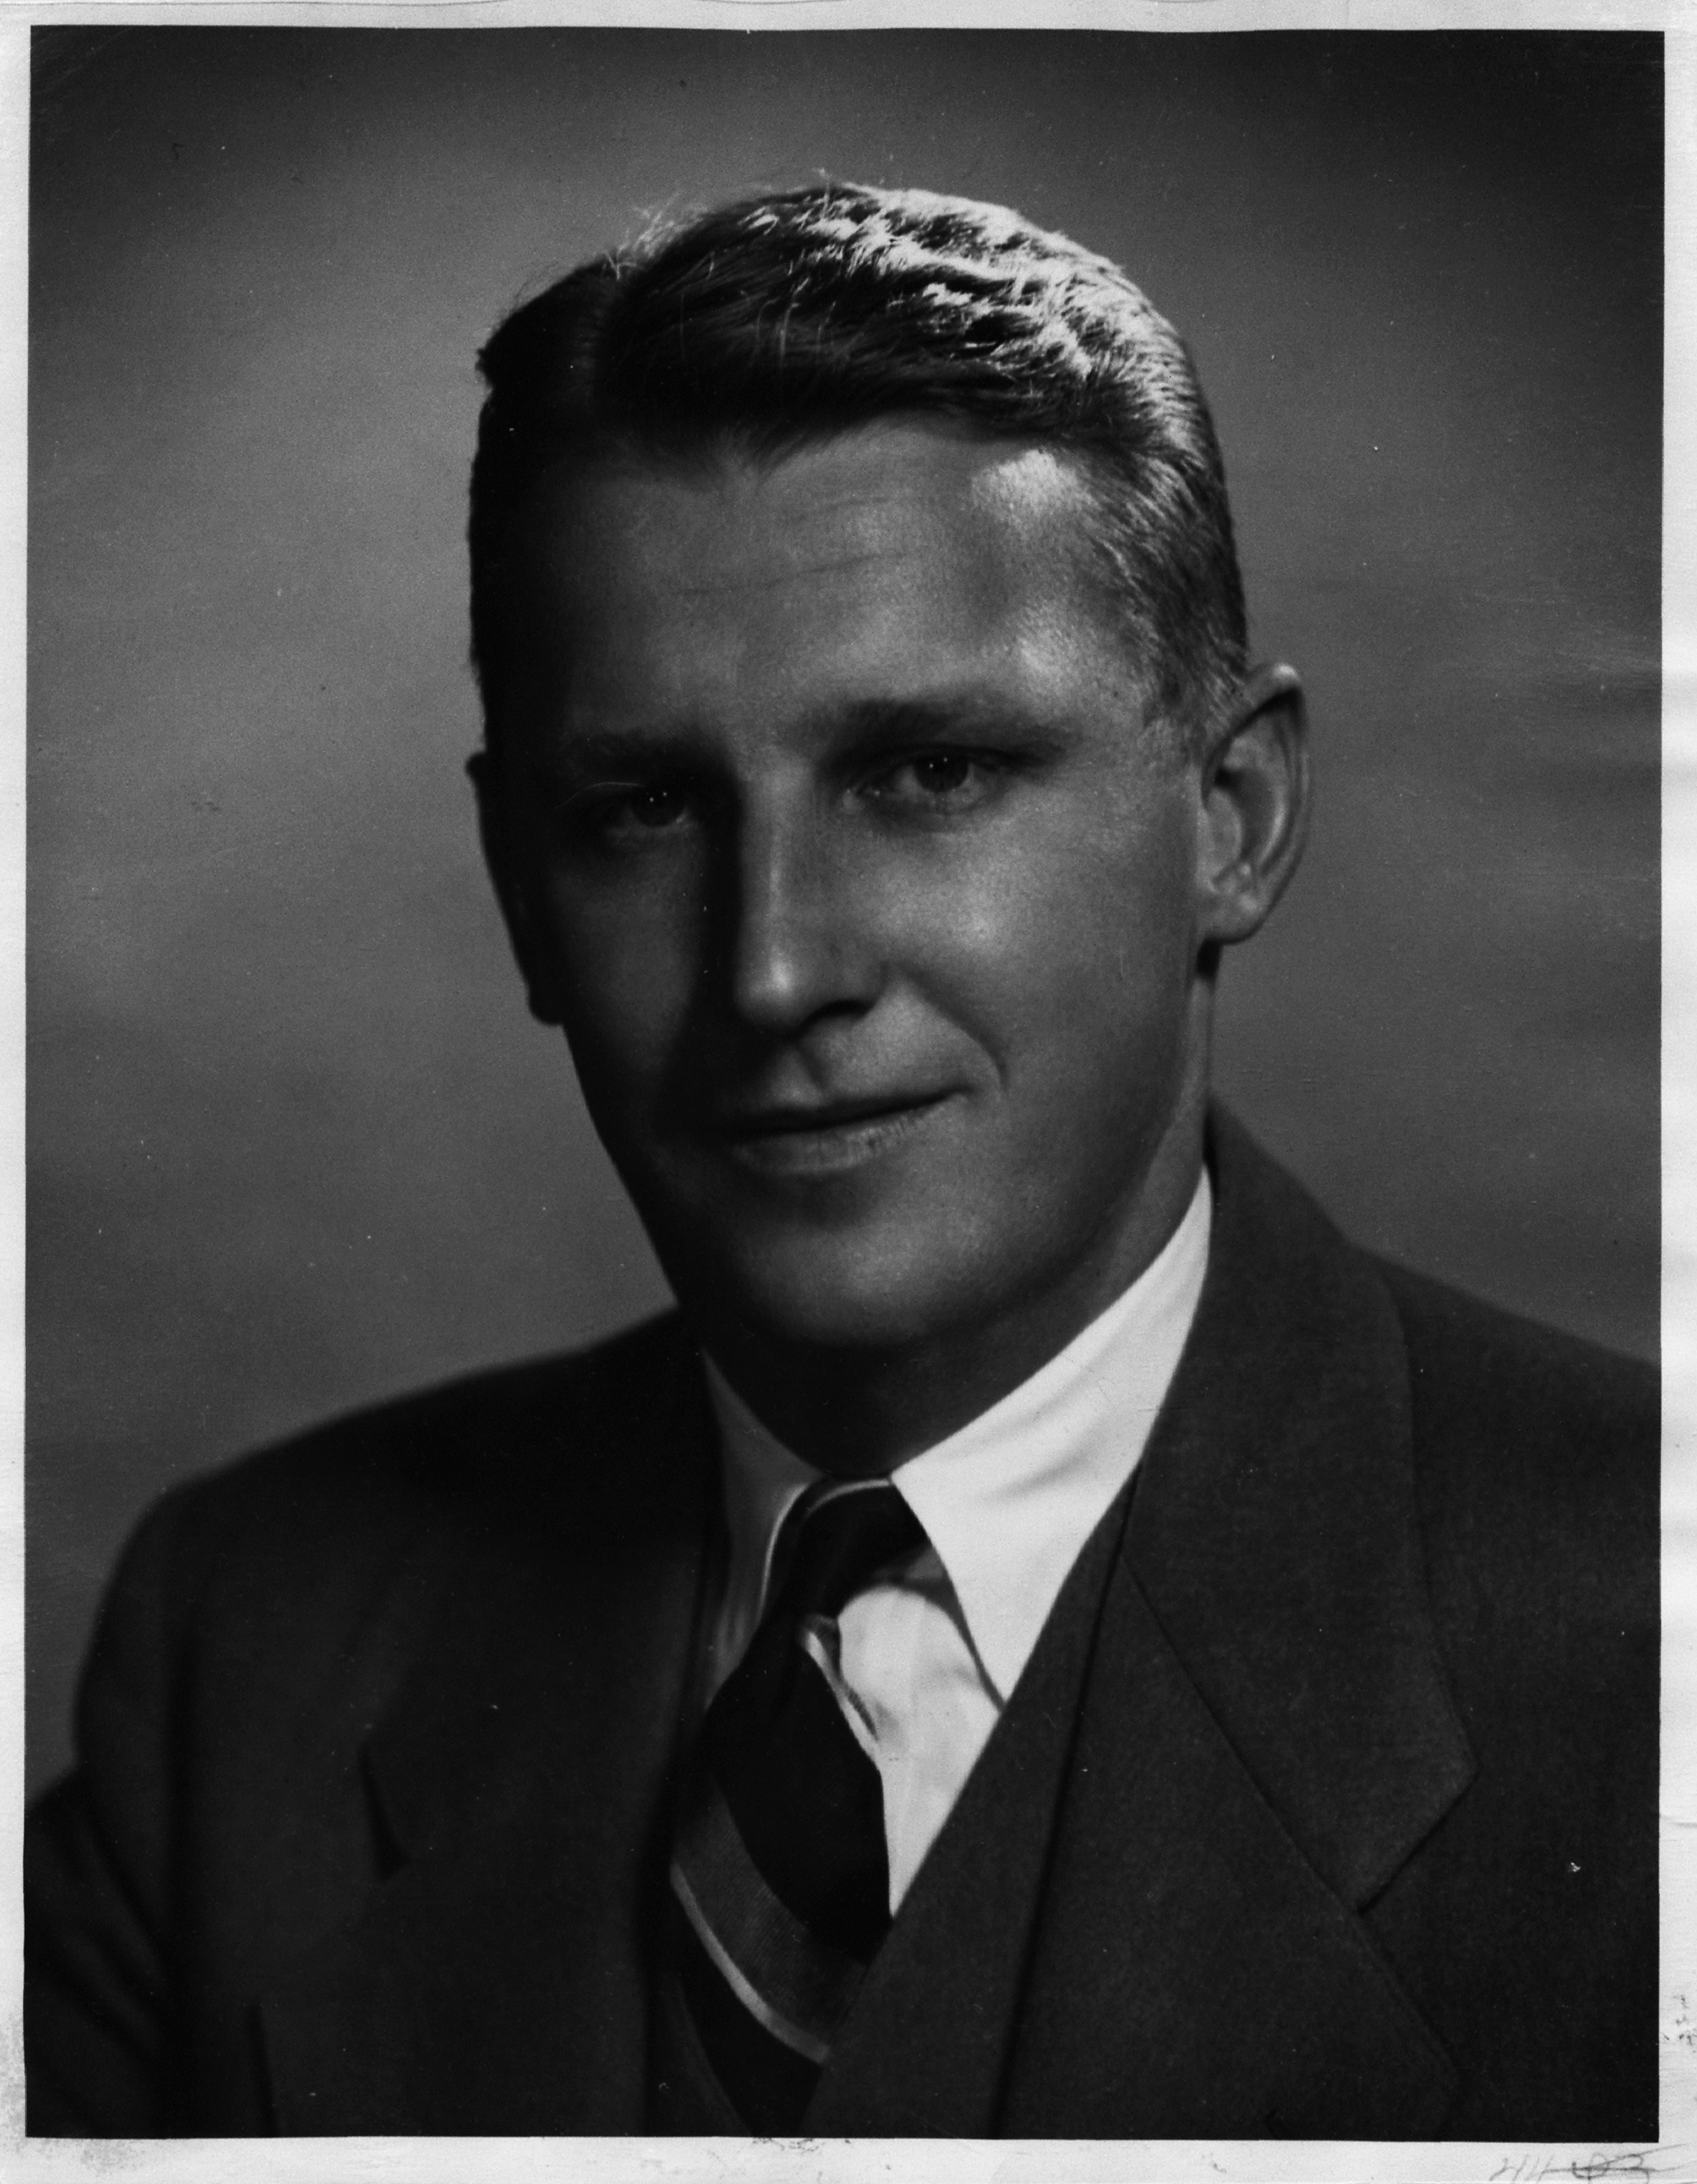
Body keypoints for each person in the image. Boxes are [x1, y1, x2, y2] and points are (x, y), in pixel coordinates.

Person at [25, 182, 1656, 2142]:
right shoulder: (254, 1642)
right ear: (516, 887)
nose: (773, 969)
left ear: (1230, 815)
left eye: (928, 773)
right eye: (644, 808)